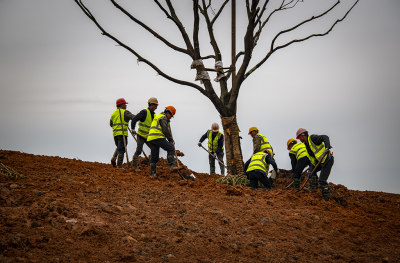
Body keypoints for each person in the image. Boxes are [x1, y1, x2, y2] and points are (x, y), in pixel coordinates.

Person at [296, 128, 334, 201]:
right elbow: (313, 158)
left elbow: (325, 137)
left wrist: (327, 146)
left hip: (327, 160)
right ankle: (313, 190)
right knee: (310, 172)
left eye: (299, 137)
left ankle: (326, 199)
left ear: (303, 135)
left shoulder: (313, 138)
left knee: (322, 180)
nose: (299, 139)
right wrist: (311, 170)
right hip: (319, 162)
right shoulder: (307, 145)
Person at [147, 106, 177, 177]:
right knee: (170, 148)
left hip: (151, 138)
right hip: (158, 137)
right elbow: (165, 130)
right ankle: (172, 166)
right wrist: (170, 140)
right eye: (171, 115)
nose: (170, 117)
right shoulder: (163, 117)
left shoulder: (158, 116)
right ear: (167, 113)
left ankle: (153, 174)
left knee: (154, 156)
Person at [130, 97, 158, 171]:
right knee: (139, 150)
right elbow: (134, 119)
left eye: (156, 106)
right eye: (155, 105)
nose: (156, 107)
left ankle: (152, 165)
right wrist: (133, 129)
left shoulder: (154, 115)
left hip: (149, 137)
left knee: (154, 149)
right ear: (150, 104)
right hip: (141, 135)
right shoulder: (144, 112)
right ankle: (134, 166)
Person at [110, 98, 135, 168]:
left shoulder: (113, 113)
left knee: (119, 146)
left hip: (115, 134)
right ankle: (119, 165)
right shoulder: (125, 112)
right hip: (122, 134)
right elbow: (133, 117)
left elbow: (111, 124)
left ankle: (114, 158)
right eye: (125, 104)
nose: (126, 106)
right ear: (121, 105)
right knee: (122, 149)